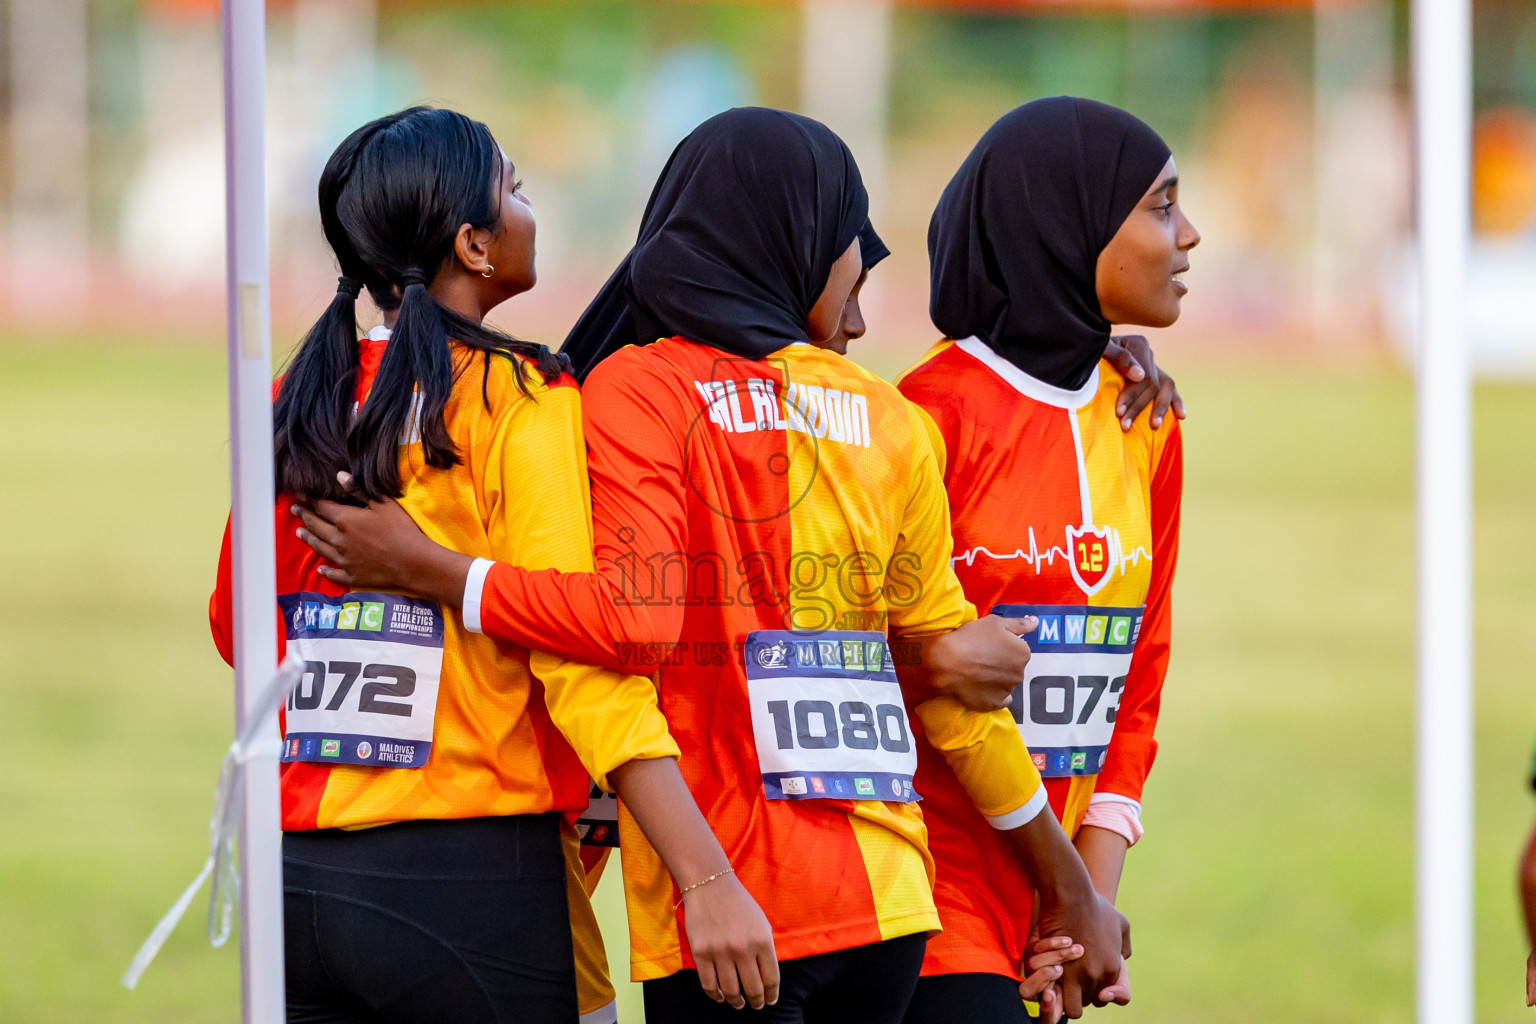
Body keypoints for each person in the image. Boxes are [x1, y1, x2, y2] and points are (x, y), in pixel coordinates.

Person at [293, 106, 1127, 1023]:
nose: (859, 283)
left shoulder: (619, 391)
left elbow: (235, 622)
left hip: (698, 905)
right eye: (850, 239)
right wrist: (1069, 881)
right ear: (795, 236)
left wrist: (430, 579)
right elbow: (946, 688)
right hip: (878, 898)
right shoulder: (884, 417)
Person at [209, 105, 774, 1024]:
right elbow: (583, 638)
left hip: (297, 878)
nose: (527, 208)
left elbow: (236, 625)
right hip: (467, 874)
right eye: (514, 189)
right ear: (474, 244)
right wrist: (701, 870)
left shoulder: (292, 395)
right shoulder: (523, 395)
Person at [888, 96, 1197, 1023]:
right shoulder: (926, 417)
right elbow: (871, 659)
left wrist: (1086, 908)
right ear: (1065, 223)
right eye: (1159, 205)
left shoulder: (1144, 419)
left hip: (1061, 908)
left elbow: (1137, 678)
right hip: (930, 893)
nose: (1190, 233)